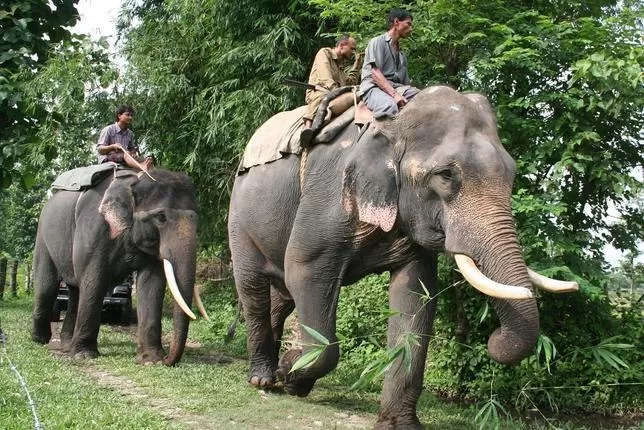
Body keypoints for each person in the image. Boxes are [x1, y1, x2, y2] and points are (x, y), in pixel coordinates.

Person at [301, 34, 363, 145]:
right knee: (320, 96)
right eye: (352, 48)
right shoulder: (324, 53)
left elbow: (349, 82)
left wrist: (357, 65)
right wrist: (337, 91)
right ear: (342, 45)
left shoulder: (340, 65)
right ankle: (308, 127)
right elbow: (325, 77)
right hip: (319, 91)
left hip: (335, 93)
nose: (353, 52)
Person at [359, 8, 419, 119]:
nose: (411, 29)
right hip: (373, 87)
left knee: (423, 97)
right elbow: (375, 73)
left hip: (396, 87)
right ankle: (378, 134)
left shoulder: (402, 55)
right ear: (396, 22)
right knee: (389, 106)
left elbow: (406, 84)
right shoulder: (377, 42)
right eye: (408, 24)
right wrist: (395, 96)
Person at [96, 105, 154, 171]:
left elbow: (131, 150)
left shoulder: (130, 133)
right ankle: (142, 168)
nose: (130, 117)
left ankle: (150, 173)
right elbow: (100, 149)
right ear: (119, 116)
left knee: (147, 159)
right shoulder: (108, 129)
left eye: (131, 115)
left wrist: (133, 153)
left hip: (124, 158)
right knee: (126, 154)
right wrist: (113, 146)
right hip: (107, 158)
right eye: (127, 115)